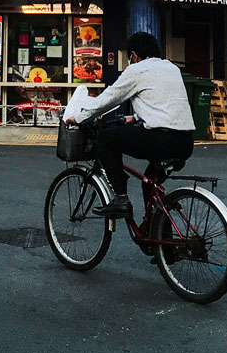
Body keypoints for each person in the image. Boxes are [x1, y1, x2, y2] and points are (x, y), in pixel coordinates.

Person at [63, 31, 195, 219]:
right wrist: (135, 117)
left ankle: (121, 198)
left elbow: (108, 100)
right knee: (150, 184)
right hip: (184, 142)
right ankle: (162, 243)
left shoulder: (136, 70)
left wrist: (80, 117)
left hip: (160, 140)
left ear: (133, 55)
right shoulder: (171, 68)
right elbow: (164, 102)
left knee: (106, 137)